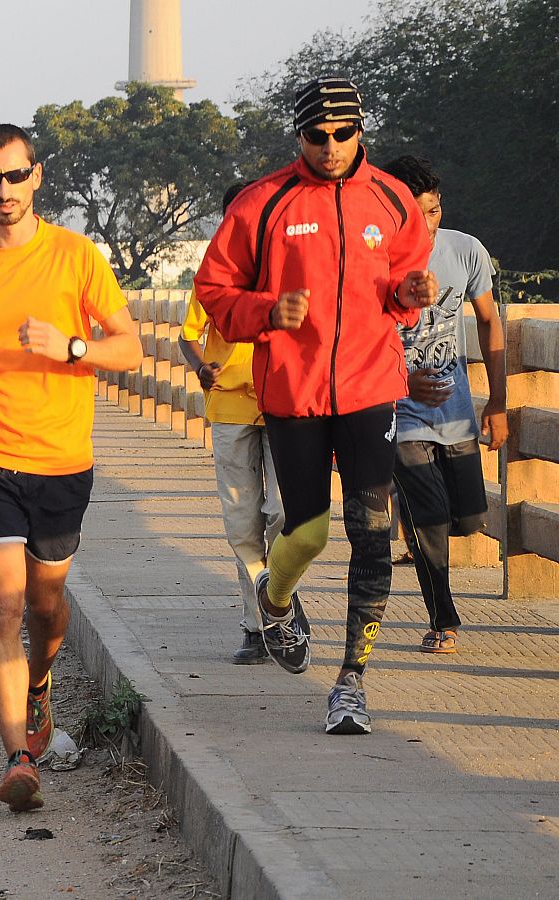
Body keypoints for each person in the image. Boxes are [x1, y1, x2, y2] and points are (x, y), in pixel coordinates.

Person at [195, 77, 437, 736]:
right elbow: (215, 289)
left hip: (370, 389)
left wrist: (410, 291)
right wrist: (268, 311)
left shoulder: (391, 200)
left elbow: (399, 286)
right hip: (293, 394)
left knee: (373, 533)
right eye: (317, 136)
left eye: (343, 134)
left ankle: (352, 682)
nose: (331, 148)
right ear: (298, 137)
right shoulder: (261, 204)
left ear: (360, 131)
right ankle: (275, 600)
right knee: (309, 530)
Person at [0, 124, 141, 812]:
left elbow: (131, 349)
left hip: (60, 460)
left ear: (36, 176)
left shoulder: (77, 257)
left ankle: (40, 681)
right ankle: (19, 755)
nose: (3, 191)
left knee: (47, 610)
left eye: (14, 177)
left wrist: (72, 346)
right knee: (4, 603)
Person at [378, 154, 507, 656]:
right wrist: (403, 381)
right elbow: (357, 340)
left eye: (433, 211)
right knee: (429, 514)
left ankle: (412, 515)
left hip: (454, 410)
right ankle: (443, 618)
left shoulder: (465, 250)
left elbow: (490, 321)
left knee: (470, 519)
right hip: (399, 406)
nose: (427, 224)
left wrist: (497, 400)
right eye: (415, 212)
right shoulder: (375, 262)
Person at [180, 183, 285, 665]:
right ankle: (256, 626)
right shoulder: (213, 273)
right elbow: (188, 334)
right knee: (243, 522)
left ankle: (282, 604)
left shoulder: (288, 263)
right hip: (229, 408)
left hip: (284, 403)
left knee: (286, 514)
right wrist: (200, 366)